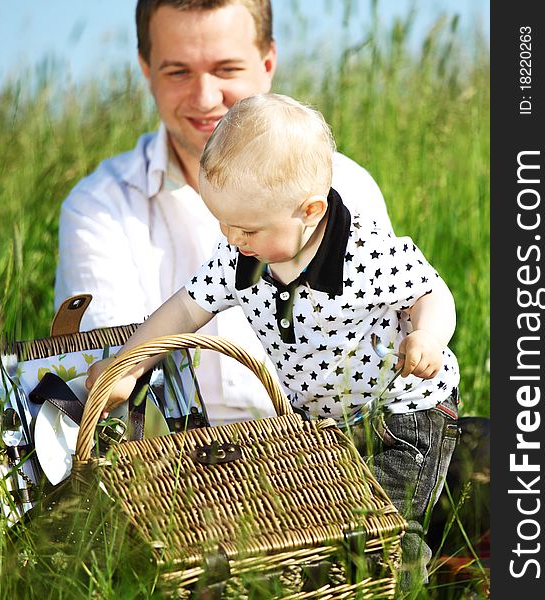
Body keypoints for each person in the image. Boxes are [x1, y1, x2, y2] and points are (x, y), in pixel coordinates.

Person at [86, 93, 460, 589]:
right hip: (319, 421)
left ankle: (408, 582)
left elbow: (431, 292)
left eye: (245, 227)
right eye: (220, 221)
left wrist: (428, 335)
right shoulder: (241, 258)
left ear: (309, 211)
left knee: (389, 531)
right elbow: (182, 311)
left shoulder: (365, 254)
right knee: (326, 527)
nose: (229, 236)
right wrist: (130, 364)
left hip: (402, 413)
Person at [55, 0, 393, 425]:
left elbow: (383, 334)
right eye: (177, 71)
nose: (205, 97)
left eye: (227, 69)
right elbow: (120, 367)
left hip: (329, 442)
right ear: (146, 69)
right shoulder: (99, 207)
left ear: (267, 63)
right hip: (174, 462)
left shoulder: (345, 187)